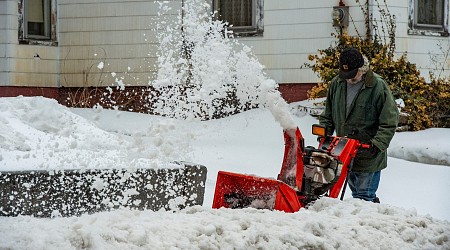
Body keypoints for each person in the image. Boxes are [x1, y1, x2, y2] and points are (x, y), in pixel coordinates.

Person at [319, 47, 399, 203]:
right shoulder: (337, 83)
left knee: (363, 197)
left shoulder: (377, 86)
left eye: (351, 75)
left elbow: (389, 121)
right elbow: (327, 114)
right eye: (345, 75)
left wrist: (377, 144)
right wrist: (324, 132)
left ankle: (370, 222)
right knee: (356, 196)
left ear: (362, 69)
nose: (348, 79)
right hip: (343, 152)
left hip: (368, 153)